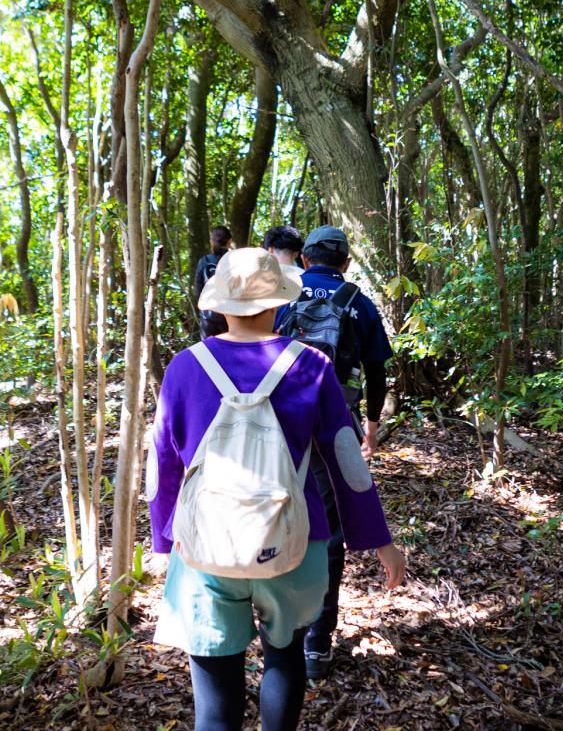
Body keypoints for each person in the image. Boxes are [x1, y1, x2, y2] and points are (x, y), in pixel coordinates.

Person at [149, 248, 406, 731]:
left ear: (218, 303)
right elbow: (346, 460)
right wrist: (380, 541)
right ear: (278, 303)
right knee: (285, 660)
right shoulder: (309, 365)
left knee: (215, 686)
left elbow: (161, 462)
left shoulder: (185, 366)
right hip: (293, 541)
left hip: (205, 546)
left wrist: (163, 540)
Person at [276, 225, 396, 681]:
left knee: (276, 513)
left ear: (305, 259)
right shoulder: (357, 302)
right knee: (327, 528)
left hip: (278, 425)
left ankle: (278, 628)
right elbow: (376, 371)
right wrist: (371, 428)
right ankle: (317, 643)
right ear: (345, 262)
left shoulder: (280, 294)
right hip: (334, 421)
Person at [192, 226, 234, 339]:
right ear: (230, 241)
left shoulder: (204, 261)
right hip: (231, 316)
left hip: (208, 316)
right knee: (228, 351)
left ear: (212, 242)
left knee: (208, 352)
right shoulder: (235, 261)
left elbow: (198, 290)